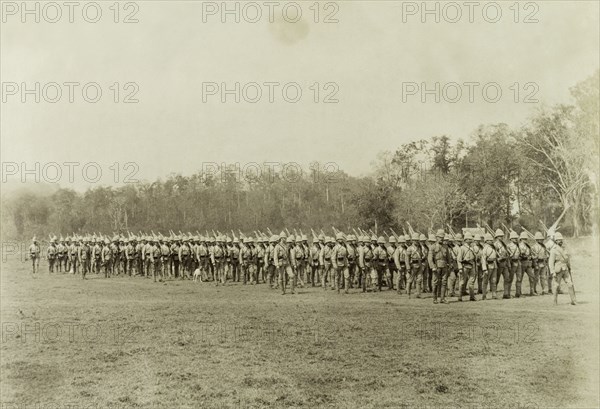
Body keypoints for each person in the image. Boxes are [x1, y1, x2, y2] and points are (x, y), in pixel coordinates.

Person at [548, 232, 576, 305]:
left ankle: (573, 301)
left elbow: (567, 259)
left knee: (570, 284)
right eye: (558, 240)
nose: (560, 241)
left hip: (565, 269)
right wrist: (552, 272)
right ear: (555, 241)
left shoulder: (565, 249)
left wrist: (569, 267)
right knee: (556, 286)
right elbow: (551, 262)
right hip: (558, 270)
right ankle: (555, 301)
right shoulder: (553, 250)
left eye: (561, 240)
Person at [480, 233, 498, 300]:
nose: (491, 241)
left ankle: (494, 294)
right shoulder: (485, 249)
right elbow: (483, 259)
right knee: (485, 281)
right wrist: (485, 269)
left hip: (494, 265)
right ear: (486, 241)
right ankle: (484, 295)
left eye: (491, 240)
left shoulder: (493, 248)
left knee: (494, 281)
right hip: (488, 265)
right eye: (489, 240)